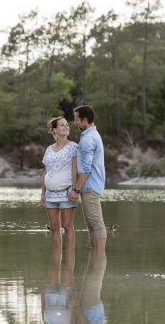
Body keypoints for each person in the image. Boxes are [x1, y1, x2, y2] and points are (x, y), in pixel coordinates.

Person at [69, 106, 107, 251]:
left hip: (90, 186)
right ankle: (96, 260)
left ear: (85, 120)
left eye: (77, 119)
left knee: (96, 223)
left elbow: (85, 170)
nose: (75, 122)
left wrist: (75, 189)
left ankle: (99, 258)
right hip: (91, 185)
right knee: (92, 223)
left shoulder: (88, 139)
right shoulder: (90, 136)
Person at [41, 117, 78, 249]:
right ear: (55, 129)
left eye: (67, 125)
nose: (66, 127)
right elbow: (46, 172)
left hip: (66, 192)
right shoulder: (49, 149)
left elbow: (75, 170)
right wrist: (42, 194)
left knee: (67, 226)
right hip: (50, 194)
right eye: (62, 125)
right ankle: (56, 258)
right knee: (54, 227)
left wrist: (75, 190)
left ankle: (69, 257)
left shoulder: (74, 147)